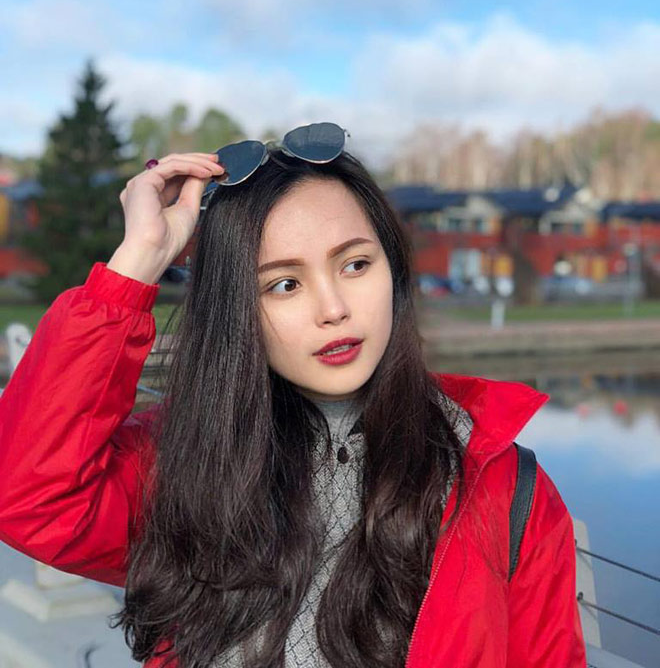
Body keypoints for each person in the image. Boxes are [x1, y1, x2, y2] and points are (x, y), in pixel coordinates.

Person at [0, 123, 587, 668]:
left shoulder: (503, 488)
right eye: (284, 284)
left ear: (394, 271)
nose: (333, 309)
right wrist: (137, 263)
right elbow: (30, 498)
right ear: (237, 310)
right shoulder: (184, 464)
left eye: (355, 264)